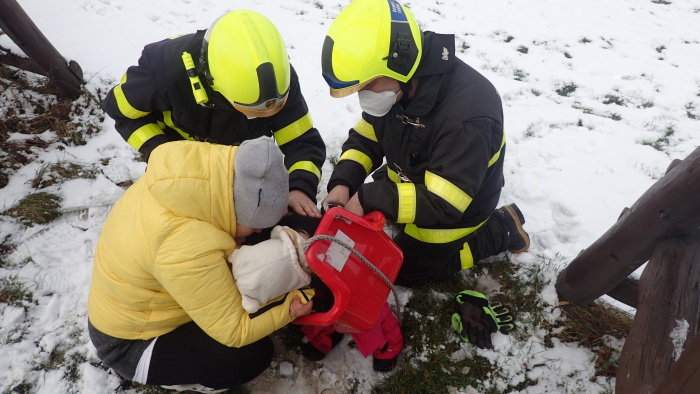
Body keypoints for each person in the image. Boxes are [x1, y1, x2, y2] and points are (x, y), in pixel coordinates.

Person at [320, 0, 530, 287]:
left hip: (453, 207)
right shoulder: (398, 83)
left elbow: (443, 204)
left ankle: (500, 229)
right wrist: (343, 185)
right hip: (411, 175)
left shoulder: (469, 118)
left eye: (367, 86)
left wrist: (370, 197)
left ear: (400, 64)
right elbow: (368, 135)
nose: (363, 96)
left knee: (402, 271)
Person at [87, 137, 314, 391]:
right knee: (250, 355)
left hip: (145, 296)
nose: (259, 230)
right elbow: (235, 330)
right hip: (133, 342)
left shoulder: (199, 174)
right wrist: (294, 301)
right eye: (255, 224)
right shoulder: (183, 244)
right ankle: (191, 379)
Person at [103, 10, 326, 218]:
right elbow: (122, 113)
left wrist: (300, 188)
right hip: (181, 166)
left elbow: (302, 140)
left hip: (241, 167)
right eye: (249, 110)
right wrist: (163, 154)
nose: (262, 115)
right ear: (214, 85)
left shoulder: (277, 79)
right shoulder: (161, 70)